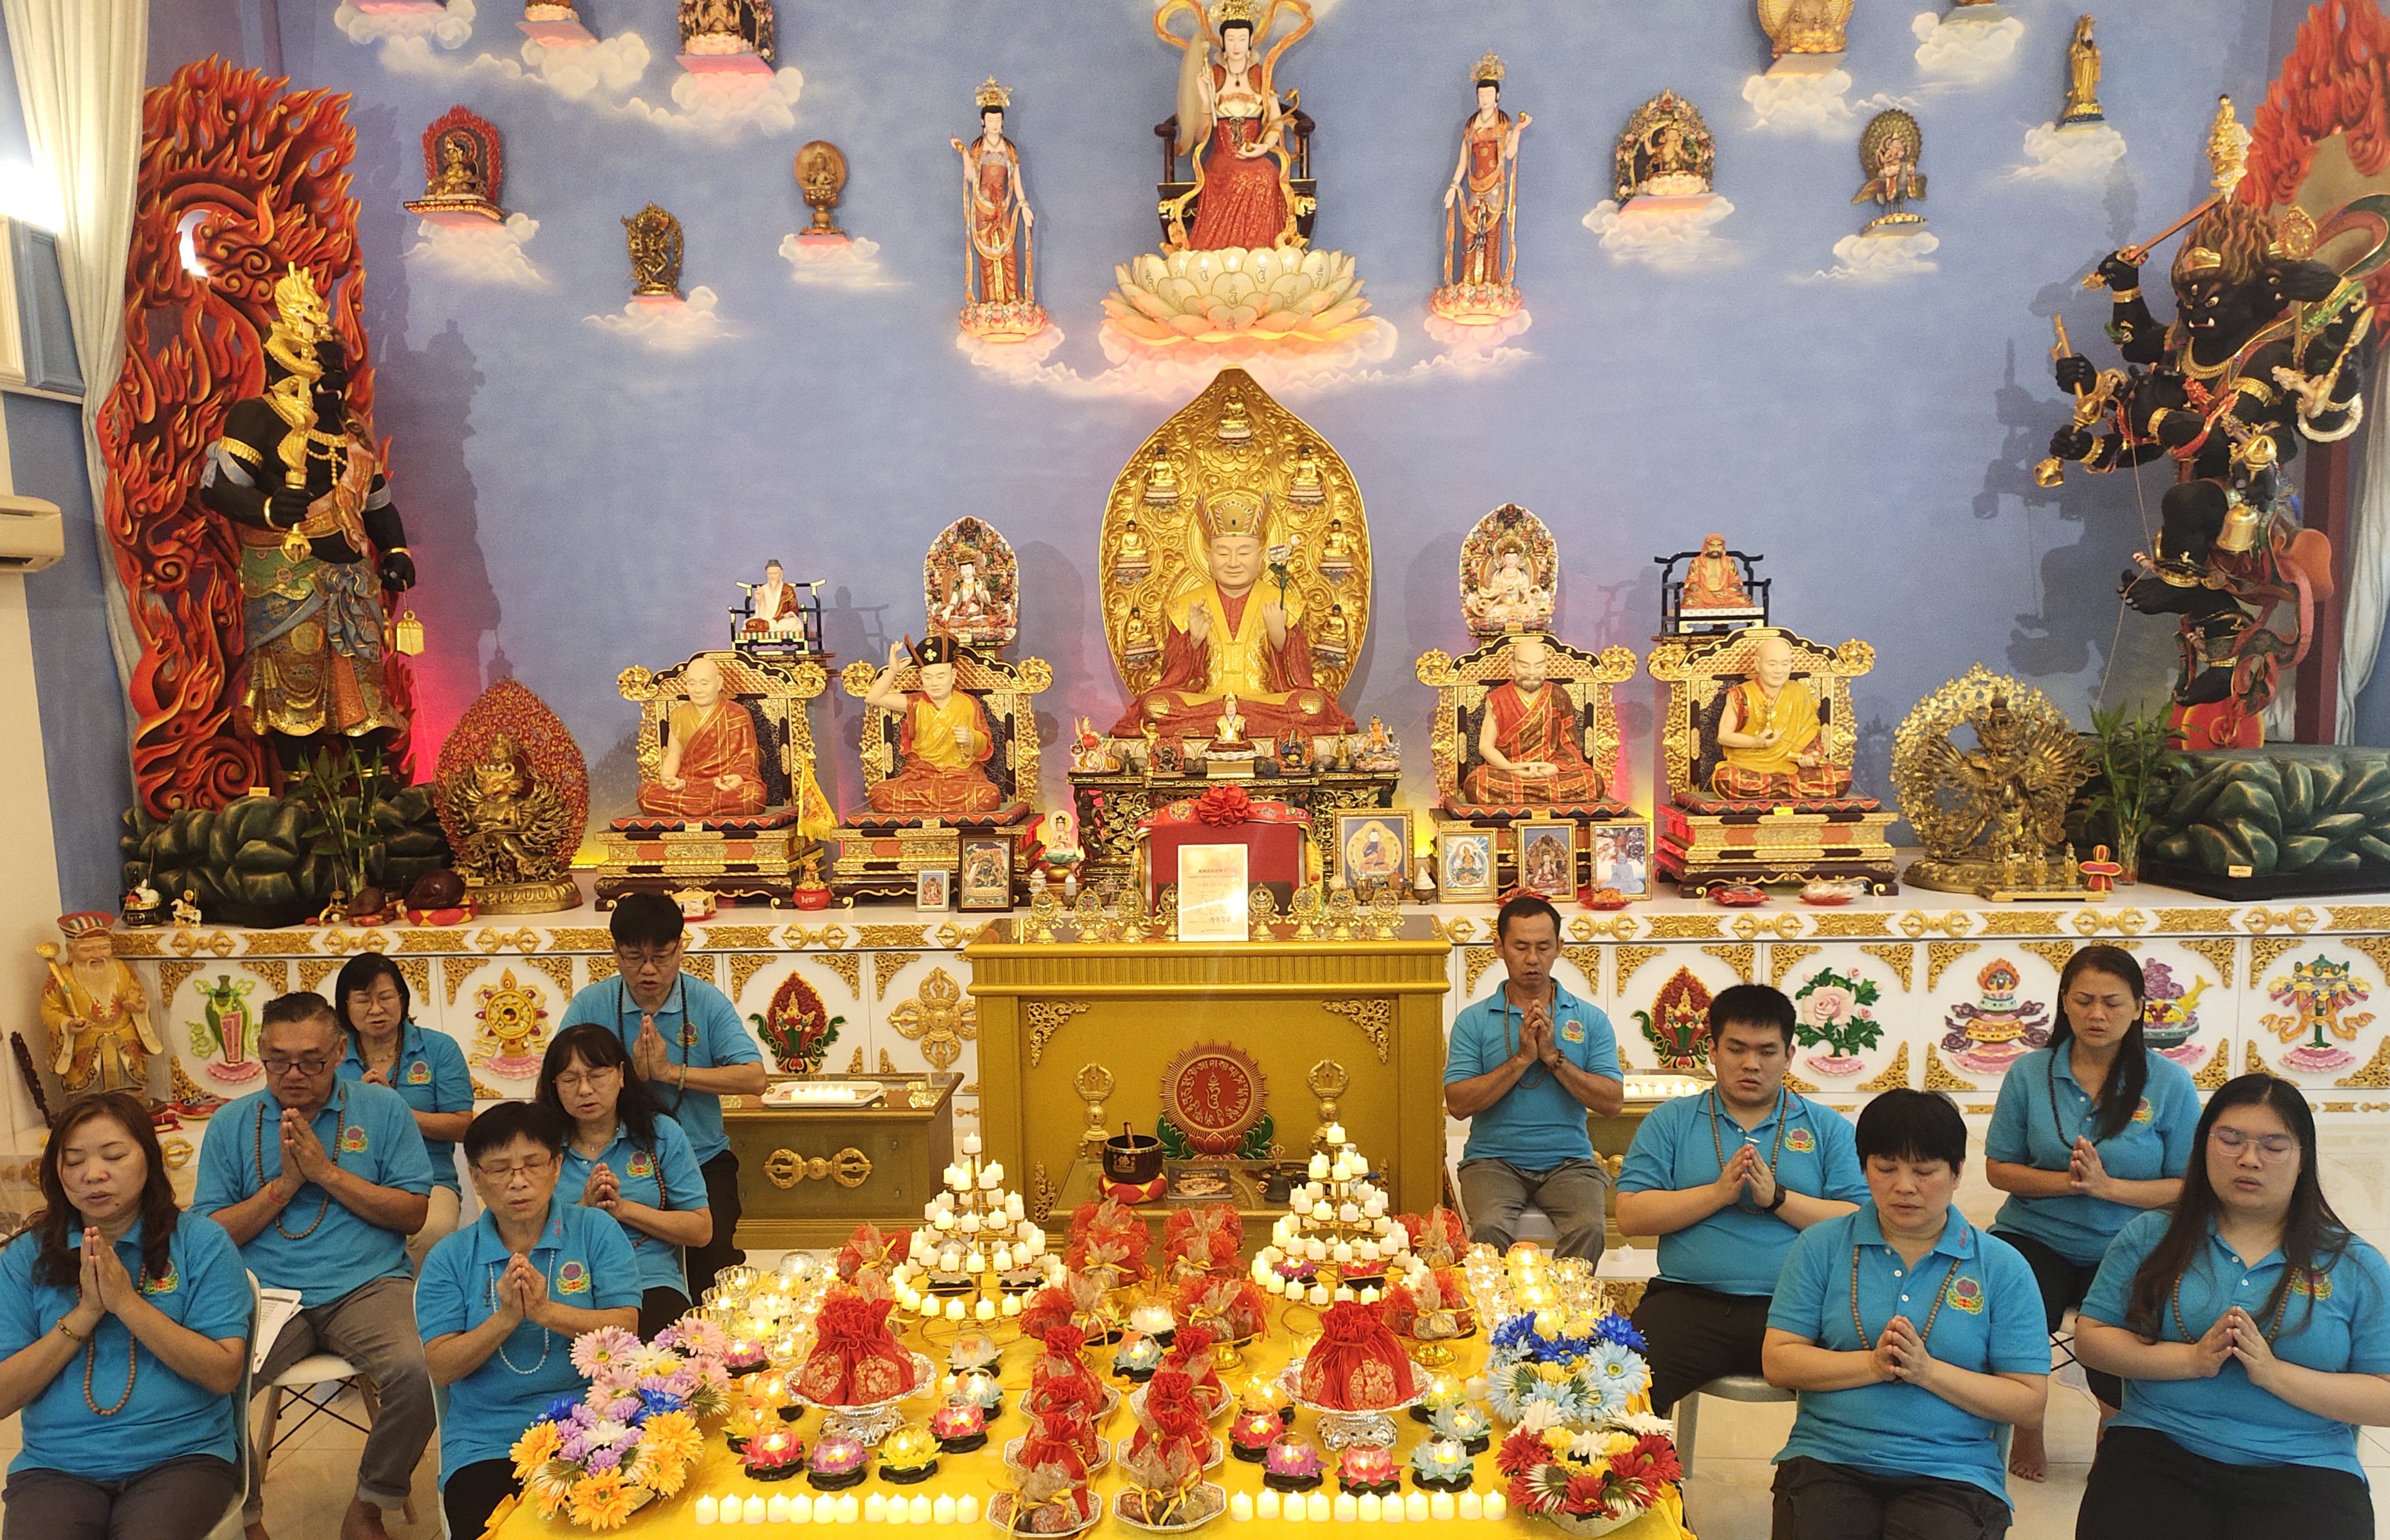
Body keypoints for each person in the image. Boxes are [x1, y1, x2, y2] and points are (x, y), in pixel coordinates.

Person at [2072, 1074, 2390, 1540]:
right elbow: (2092, 1339)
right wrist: (2191, 1360)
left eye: (2273, 1146)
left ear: (2304, 1158)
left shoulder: (2354, 1264)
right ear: (2203, 1145)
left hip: (2305, 1465)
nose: (2249, 1159)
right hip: (2159, 1445)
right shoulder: (2150, 1235)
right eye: (2230, 1140)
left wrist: (2274, 1375)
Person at [191, 992, 436, 1540]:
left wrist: (326, 1174)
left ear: (341, 1051)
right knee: (208, 1382)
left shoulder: (382, 1109)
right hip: (265, 1292)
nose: (294, 1074)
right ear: (260, 1052)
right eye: (278, 1061)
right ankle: (247, 1516)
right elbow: (209, 1235)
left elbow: (413, 1213)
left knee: (421, 1368)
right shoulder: (232, 1122)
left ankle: (370, 1504)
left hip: (368, 1284)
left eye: (311, 1061)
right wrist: (283, 1187)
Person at [1762, 1089, 2047, 1540]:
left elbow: (2028, 1402)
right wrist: (1873, 1365)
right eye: (1886, 1168)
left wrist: (1927, 1372)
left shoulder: (2001, 1266)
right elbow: (1779, 1361)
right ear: (1864, 1168)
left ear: (1956, 1172)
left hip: (1952, 1472)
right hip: (1829, 1458)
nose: (1904, 1186)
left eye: (1924, 1171)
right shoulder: (1821, 1246)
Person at [1982, 944, 2199, 1481]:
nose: (2096, 1015)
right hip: (2036, 1233)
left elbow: (2188, 1188)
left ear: (2138, 1007)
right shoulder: (2029, 1073)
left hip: (2132, 1238)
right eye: (2082, 1001)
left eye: (2111, 1003)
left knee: (2123, 1324)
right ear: (2063, 1003)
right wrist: (2068, 1184)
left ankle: (2113, 1426)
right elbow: (1998, 1170)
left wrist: (2108, 1189)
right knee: (2015, 1306)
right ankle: (2027, 1421)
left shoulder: (2167, 1082)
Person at [0, 1091, 249, 1540]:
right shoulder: (24, 1257)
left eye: (113, 1156)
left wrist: (127, 1304)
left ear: (149, 1160)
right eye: (74, 1161)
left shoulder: (201, 1243)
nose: (93, 1174)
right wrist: (86, 1313)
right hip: (57, 1465)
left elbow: (223, 1373)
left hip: (181, 1457)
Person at [1619, 985, 1864, 1414]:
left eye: (1767, 1052)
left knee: (1857, 1395)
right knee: (1617, 1390)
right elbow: (1630, 1215)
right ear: (1712, 1051)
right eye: (1736, 1049)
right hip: (1687, 1301)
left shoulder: (1827, 1128)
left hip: (1799, 1306)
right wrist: (1716, 1194)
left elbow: (1858, 1219)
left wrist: (1778, 1199)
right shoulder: (1670, 1121)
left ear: (1789, 1056)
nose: (1751, 1064)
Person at [418, 1101, 640, 1540]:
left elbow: (625, 1330)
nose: (518, 1181)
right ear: (476, 1177)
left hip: (592, 1428)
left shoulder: (595, 1231)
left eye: (532, 1165)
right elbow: (440, 1366)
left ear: (556, 1168)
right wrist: (505, 1318)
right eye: (500, 1169)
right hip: (487, 1441)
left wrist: (544, 1312)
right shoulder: (450, 1256)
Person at [556, 893, 765, 1300]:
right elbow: (558, 1076)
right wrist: (631, 1077)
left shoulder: (704, 1001)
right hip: (612, 1164)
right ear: (615, 952)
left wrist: (671, 1073)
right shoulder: (592, 1004)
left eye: (661, 957)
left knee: (713, 1262)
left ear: (681, 949)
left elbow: (755, 1079)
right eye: (634, 958)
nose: (648, 970)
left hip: (700, 1158)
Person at [1442, 892, 1624, 1264]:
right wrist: (1523, 1059)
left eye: (1543, 947)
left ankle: (1564, 1301)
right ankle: (1501, 1303)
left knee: (1590, 1228)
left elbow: (1612, 1103)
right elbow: (1458, 1104)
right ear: (1499, 948)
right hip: (1492, 1161)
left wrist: (1554, 1058)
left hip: (1569, 1161)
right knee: (1488, 1228)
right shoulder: (1473, 1021)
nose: (1532, 959)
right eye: (1521, 947)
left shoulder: (1588, 1018)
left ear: (1559, 947)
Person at [1111, 489, 1353, 740]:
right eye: (1223, 553)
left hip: (1264, 701)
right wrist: (1193, 643)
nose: (1234, 562)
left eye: (1244, 553)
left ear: (1261, 557)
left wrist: (1280, 639)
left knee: (1312, 706)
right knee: (1154, 706)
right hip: (1208, 701)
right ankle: (1248, 726)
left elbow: (1301, 679)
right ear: (1208, 557)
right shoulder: (1188, 605)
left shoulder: (1283, 602)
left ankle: (1221, 726)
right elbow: (1172, 679)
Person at [536, 1024, 711, 1338]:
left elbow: (701, 1230)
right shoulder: (540, 1145)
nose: (584, 1090)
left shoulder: (660, 1134)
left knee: (662, 1357)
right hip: (565, 1285)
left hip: (648, 1280)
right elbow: (522, 1235)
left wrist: (622, 1209)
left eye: (596, 1075)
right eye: (570, 1079)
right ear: (554, 1086)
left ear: (620, 1075)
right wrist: (584, 1208)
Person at [334, 952, 473, 1269]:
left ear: (403, 999)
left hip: (430, 1181)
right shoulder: (332, 1054)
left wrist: (393, 1107)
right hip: (351, 1179)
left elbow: (463, 1126)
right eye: (363, 1001)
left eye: (385, 997)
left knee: (431, 1230)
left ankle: (416, 1297)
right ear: (345, 1007)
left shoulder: (439, 1048)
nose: (376, 1009)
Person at [862, 634, 1002, 815]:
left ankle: (929, 806)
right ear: (921, 678)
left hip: (960, 778)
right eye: (928, 678)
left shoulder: (968, 704)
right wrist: (892, 672)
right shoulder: (915, 703)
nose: (935, 683)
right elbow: (873, 698)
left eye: (941, 676)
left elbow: (985, 746)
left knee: (989, 795)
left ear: (953, 676)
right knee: (880, 794)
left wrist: (971, 739)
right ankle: (940, 806)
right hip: (922, 778)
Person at [1464, 636, 1605, 804]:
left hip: (1550, 771)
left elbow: (1570, 745)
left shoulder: (1559, 696)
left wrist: (1555, 768)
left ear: (1546, 666)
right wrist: (1513, 768)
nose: (1531, 672)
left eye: (1538, 666)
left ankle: (1526, 796)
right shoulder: (1498, 698)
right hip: (1510, 771)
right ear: (1512, 667)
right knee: (1476, 784)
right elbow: (1485, 746)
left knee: (1593, 781)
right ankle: (1546, 796)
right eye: (1524, 666)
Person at [1711, 631, 1852, 800]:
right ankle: (1787, 788)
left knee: (1841, 777)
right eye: (1772, 664)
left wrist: (1810, 756)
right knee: (1727, 779)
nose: (1779, 671)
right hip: (1750, 765)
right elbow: (1724, 736)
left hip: (1792, 765)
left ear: (1791, 665)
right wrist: (1756, 742)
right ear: (1757, 664)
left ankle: (1775, 788)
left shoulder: (1800, 693)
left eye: (1785, 664)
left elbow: (1810, 734)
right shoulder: (1741, 695)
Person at [636, 656, 766, 819]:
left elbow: (747, 758)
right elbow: (674, 755)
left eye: (704, 684)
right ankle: (708, 810)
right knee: (646, 794)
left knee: (753, 796)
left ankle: (691, 810)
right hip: (688, 785)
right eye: (692, 684)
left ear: (719, 683)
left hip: (723, 787)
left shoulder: (737, 714)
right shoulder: (679, 715)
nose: (698, 690)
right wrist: (669, 778)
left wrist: (738, 778)